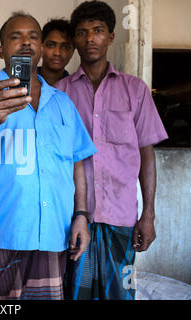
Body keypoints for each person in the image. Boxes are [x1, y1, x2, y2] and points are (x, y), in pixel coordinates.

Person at [0, 12, 97, 300]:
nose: (26, 43)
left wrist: (81, 215)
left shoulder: (62, 103)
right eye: (15, 37)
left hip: (54, 231)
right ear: (2, 50)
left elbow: (76, 162)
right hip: (5, 230)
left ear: (42, 47)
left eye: (33, 36)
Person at [55, 0, 168, 300]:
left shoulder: (135, 90)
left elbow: (146, 154)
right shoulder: (61, 94)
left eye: (98, 30)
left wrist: (149, 216)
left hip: (121, 218)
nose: (90, 38)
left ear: (111, 36)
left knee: (121, 294)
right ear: (75, 40)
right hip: (73, 219)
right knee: (75, 293)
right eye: (82, 32)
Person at [39, 18, 75, 85]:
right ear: (40, 48)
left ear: (72, 52)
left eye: (65, 47)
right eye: (51, 45)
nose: (57, 53)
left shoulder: (75, 88)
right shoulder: (24, 80)